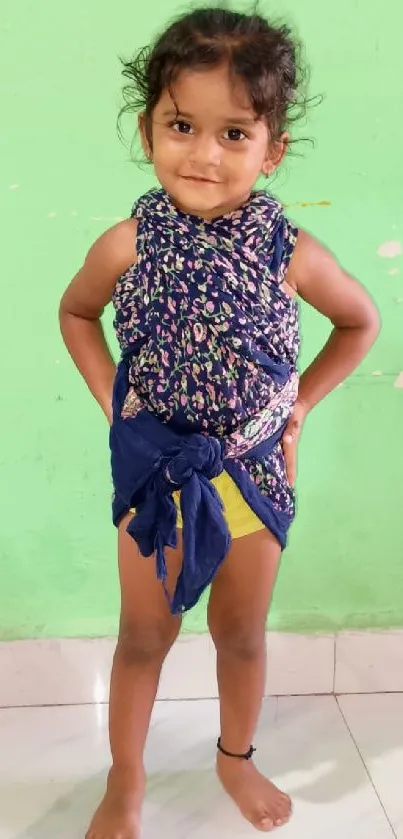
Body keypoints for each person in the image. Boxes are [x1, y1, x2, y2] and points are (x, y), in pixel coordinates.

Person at [59, 6, 380, 837]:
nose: (203, 153)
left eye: (233, 133)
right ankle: (124, 782)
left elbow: (360, 322)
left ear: (271, 149)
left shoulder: (290, 250)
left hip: (253, 475)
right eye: (181, 125)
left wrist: (299, 402)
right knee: (143, 637)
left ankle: (233, 759)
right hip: (157, 473)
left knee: (239, 635)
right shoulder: (127, 243)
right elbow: (76, 313)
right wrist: (110, 400)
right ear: (147, 129)